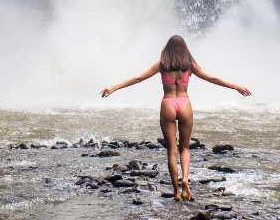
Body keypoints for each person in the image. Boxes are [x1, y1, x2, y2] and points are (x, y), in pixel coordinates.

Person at [100, 35, 251, 201]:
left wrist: (115, 87)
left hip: (168, 104)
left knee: (171, 151)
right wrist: (236, 86)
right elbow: (213, 78)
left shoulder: (162, 65)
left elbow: (138, 77)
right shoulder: (189, 66)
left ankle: (177, 193)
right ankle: (185, 178)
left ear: (168, 49)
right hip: (184, 104)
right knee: (184, 148)